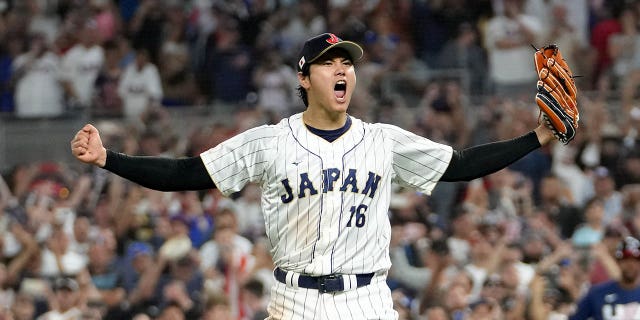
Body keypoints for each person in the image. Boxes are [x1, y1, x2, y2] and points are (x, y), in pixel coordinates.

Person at [71, 33, 558, 319]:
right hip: (295, 299)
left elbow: (461, 164)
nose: (342, 69)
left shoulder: (381, 140)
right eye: (329, 63)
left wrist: (536, 136)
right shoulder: (268, 142)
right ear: (304, 79)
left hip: (367, 297)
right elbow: (183, 173)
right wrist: (109, 158)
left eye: (347, 62)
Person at [569, 236, 640, 320]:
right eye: (625, 259)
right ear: (617, 262)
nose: (630, 264)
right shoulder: (597, 293)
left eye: (636, 260)